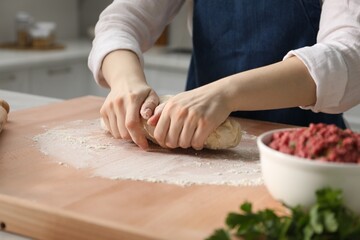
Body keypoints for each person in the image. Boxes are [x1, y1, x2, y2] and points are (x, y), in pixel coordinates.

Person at [88, 0, 360, 150]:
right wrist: (126, 83)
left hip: (308, 149)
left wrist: (228, 94)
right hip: (195, 148)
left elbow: (350, 55)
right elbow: (121, 21)